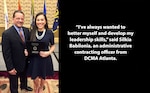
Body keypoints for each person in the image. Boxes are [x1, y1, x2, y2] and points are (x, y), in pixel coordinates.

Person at [1, 10, 33, 93]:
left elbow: (28, 45)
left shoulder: (26, 31)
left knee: (24, 76)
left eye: (22, 19)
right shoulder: (7, 34)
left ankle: (24, 86)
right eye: (18, 18)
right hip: (14, 63)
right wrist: (10, 68)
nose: (20, 20)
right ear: (13, 19)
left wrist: (28, 51)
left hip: (25, 61)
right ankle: (14, 90)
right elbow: (6, 53)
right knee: (14, 81)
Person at [25, 12, 55, 93]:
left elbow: (53, 46)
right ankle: (36, 86)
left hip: (45, 58)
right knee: (34, 76)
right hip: (33, 58)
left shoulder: (49, 33)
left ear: (45, 21)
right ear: (35, 21)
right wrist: (26, 50)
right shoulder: (31, 32)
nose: (40, 22)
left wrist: (48, 52)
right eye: (38, 20)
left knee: (43, 75)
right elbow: (27, 45)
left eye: (42, 20)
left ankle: (41, 87)